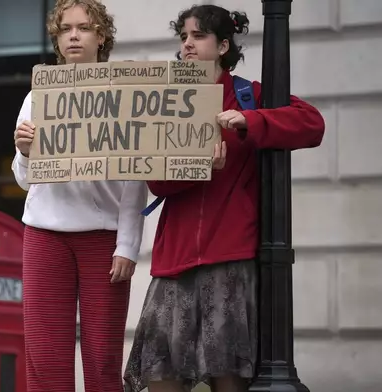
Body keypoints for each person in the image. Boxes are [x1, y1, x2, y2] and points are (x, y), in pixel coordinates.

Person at [124, 5, 325, 392]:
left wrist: (252, 121)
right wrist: (199, 168)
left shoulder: (250, 96)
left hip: (229, 258)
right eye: (183, 37)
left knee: (228, 382)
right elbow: (157, 184)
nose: (187, 44)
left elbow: (312, 124)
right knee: (161, 380)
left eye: (198, 36)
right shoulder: (170, 99)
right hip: (175, 263)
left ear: (223, 45)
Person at [11, 1, 148, 391]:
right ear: (57, 38)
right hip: (44, 233)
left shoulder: (124, 94)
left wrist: (127, 245)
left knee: (102, 358)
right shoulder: (37, 95)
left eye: (84, 28)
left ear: (100, 36)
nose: (73, 35)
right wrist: (23, 153)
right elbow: (23, 180)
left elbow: (135, 176)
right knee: (44, 357)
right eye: (66, 28)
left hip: (102, 238)